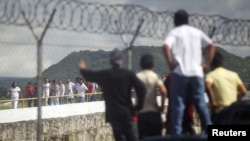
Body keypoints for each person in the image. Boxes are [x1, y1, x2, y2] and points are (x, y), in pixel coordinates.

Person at [162, 9, 215, 135]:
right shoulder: (196, 32)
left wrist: (171, 63)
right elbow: (211, 45)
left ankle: (177, 134)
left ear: (175, 21)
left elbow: (166, 45)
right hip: (196, 73)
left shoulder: (174, 32)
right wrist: (206, 64)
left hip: (180, 73)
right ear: (187, 20)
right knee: (201, 105)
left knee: (178, 106)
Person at [78, 48, 146, 141]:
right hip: (127, 112)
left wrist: (82, 69)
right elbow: (141, 88)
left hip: (113, 115)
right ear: (121, 61)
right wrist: (139, 106)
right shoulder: (128, 74)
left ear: (110, 61)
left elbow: (91, 75)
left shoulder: (105, 75)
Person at [205, 51, 247, 122]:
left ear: (211, 63)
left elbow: (207, 85)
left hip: (220, 111)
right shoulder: (234, 75)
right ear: (222, 62)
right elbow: (243, 91)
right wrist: (235, 100)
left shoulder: (211, 75)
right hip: (233, 111)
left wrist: (213, 102)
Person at [136, 53, 167, 140]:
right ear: (153, 65)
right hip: (154, 113)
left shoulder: (137, 77)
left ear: (141, 65)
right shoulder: (154, 76)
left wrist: (135, 107)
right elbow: (164, 91)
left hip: (141, 114)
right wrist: (161, 107)